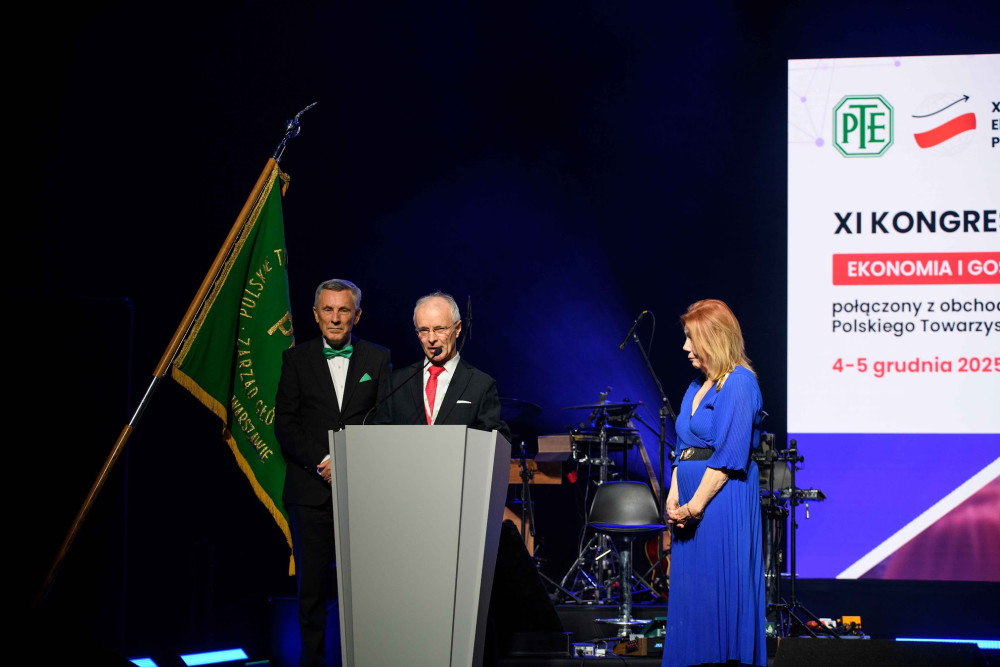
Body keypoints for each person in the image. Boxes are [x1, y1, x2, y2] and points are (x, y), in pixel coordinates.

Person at [275, 279, 391, 667]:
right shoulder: (295, 359)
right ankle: (313, 662)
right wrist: (326, 461)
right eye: (328, 309)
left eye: (344, 310)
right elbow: (285, 424)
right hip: (309, 493)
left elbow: (386, 419)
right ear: (315, 314)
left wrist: (350, 460)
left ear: (357, 315)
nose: (336, 318)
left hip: (362, 492)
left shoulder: (378, 358)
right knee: (311, 590)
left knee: (365, 588)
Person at [662, 299, 766, 667]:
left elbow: (728, 457)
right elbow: (683, 447)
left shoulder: (738, 382)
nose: (685, 347)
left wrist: (694, 507)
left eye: (691, 338)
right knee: (694, 596)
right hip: (691, 506)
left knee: (718, 592)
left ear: (714, 338)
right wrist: (674, 497)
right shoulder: (697, 385)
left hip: (720, 503)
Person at [377, 291, 508, 439]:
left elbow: (496, 442)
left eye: (440, 329)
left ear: (458, 329)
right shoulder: (397, 382)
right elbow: (379, 436)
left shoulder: (481, 385)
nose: (431, 339)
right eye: (424, 330)